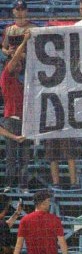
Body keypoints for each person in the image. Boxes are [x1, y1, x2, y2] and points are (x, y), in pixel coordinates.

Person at [11, 190, 70, 254]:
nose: (49, 203)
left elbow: (19, 244)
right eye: (48, 201)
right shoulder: (54, 220)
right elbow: (62, 243)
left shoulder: (25, 220)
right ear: (43, 202)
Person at [1, 25, 32, 190]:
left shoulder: (21, 83)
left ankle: (23, 185)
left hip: (24, 121)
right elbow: (14, 60)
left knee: (25, 158)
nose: (19, 65)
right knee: (12, 157)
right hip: (11, 121)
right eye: (17, 63)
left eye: (21, 64)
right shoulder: (6, 76)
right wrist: (25, 40)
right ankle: (9, 185)